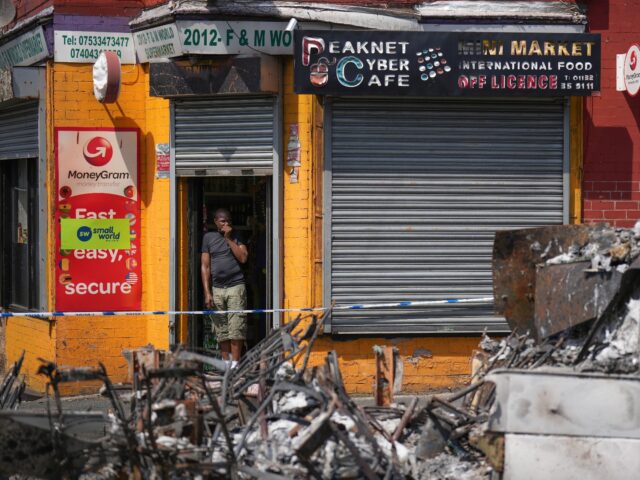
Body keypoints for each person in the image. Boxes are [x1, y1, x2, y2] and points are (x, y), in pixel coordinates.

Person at [201, 208, 248, 368]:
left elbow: (243, 258)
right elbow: (205, 266)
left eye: (228, 221)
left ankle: (235, 365)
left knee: (236, 328)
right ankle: (226, 365)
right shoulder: (208, 238)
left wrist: (228, 239)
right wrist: (207, 293)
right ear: (215, 221)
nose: (226, 224)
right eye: (223, 221)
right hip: (217, 289)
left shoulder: (236, 236)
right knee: (221, 329)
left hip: (236, 286)